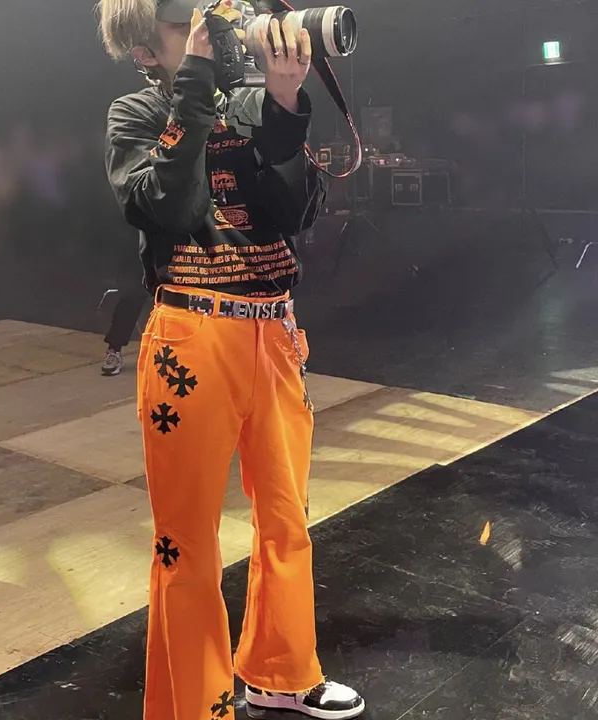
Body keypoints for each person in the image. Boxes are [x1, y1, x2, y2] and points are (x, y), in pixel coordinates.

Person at [99, 0, 365, 717]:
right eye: (181, 21)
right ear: (144, 50)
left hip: (273, 332)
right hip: (192, 337)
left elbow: (295, 213)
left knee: (287, 516)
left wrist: (284, 103)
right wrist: (195, 82)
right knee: (186, 540)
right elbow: (168, 207)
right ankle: (192, 706)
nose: (206, 26)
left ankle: (282, 670)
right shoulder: (135, 113)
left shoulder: (253, 103)